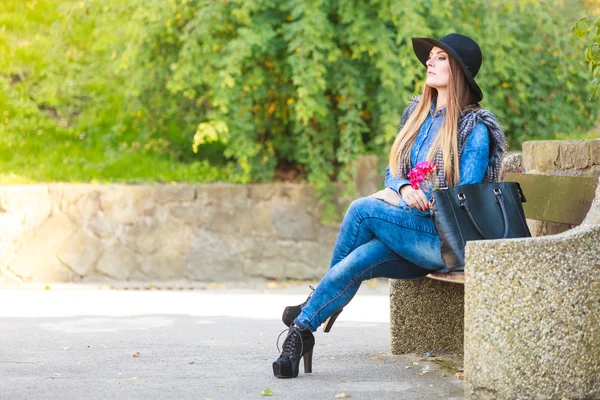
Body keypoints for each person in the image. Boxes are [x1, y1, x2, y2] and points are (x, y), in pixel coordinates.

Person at [272, 33, 507, 379]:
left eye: (440, 57)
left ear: (459, 70)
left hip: (443, 241)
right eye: (431, 57)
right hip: (409, 230)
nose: (429, 61)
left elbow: (464, 199)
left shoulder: (474, 128)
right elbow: (393, 170)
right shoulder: (418, 116)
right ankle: (302, 332)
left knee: (362, 209)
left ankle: (311, 307)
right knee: (361, 258)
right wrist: (402, 188)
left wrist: (417, 200)